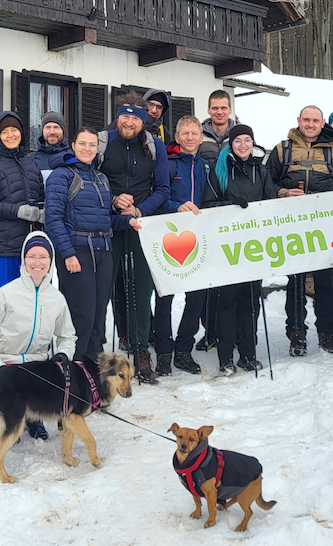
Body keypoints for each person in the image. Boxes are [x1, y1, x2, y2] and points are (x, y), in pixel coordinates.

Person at [45, 128, 139, 364]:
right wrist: (67, 253)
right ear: (73, 146)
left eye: (92, 145)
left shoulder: (101, 178)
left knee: (98, 316)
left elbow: (106, 220)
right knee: (82, 316)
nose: (87, 149)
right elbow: (53, 219)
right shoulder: (62, 175)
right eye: (83, 144)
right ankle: (73, 372)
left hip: (103, 253)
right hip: (77, 252)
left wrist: (127, 220)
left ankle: (92, 372)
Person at [267, 105, 333, 356]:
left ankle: (327, 333)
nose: (311, 124)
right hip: (293, 226)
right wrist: (283, 193)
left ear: (322, 122)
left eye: (315, 120)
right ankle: (296, 335)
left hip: (324, 226)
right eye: (306, 120)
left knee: (326, 282)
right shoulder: (283, 149)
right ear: (298, 120)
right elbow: (265, 183)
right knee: (296, 282)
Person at [0, 232, 77, 439]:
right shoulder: (5, 294)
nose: (37, 262)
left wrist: (64, 355)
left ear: (51, 260)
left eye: (43, 257)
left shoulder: (57, 299)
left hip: (37, 369)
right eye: (31, 256)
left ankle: (34, 416)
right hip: (6, 364)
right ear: (23, 259)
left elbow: (68, 336)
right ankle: (8, 416)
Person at [98, 92, 170, 384]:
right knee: (104, 288)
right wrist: (114, 200)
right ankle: (97, 350)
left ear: (144, 120)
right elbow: (90, 178)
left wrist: (140, 210)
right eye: (124, 116)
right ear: (118, 116)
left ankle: (141, 348)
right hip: (109, 225)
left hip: (141, 226)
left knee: (141, 289)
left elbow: (163, 189)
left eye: (135, 117)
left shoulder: (155, 147)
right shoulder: (103, 142)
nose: (129, 122)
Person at [202, 124, 276, 375]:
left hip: (254, 245)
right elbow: (208, 204)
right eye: (237, 141)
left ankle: (248, 353)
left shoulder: (261, 170)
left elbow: (271, 203)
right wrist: (230, 204)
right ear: (230, 144)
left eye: (247, 140)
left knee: (250, 301)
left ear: (253, 143)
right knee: (228, 301)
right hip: (228, 245)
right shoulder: (219, 170)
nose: (243, 145)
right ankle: (225, 356)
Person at [151, 116, 210, 376]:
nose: (189, 137)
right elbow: (158, 197)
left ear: (200, 137)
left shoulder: (206, 166)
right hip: (168, 238)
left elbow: (212, 198)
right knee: (165, 297)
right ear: (177, 137)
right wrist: (177, 207)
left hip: (197, 240)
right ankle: (163, 352)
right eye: (184, 133)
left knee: (196, 297)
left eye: (194, 133)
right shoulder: (169, 164)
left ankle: (184, 350)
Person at [0, 111, 45, 297]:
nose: (10, 135)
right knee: (2, 300)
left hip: (30, 246)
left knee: (27, 301)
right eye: (5, 132)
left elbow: (41, 195)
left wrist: (43, 211)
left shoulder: (31, 164)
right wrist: (18, 211)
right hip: (2, 247)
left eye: (14, 130)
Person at [195, 89, 237, 351]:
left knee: (231, 278)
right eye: (215, 108)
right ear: (209, 110)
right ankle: (209, 332)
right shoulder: (199, 136)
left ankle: (230, 332)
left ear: (230, 109)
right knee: (208, 278)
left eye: (223, 107)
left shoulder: (241, 133)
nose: (219, 112)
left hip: (235, 214)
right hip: (206, 213)